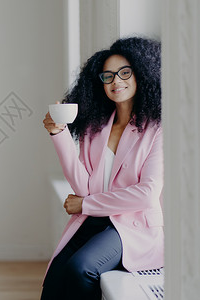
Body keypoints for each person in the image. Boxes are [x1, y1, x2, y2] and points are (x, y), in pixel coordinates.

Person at [41, 37, 163, 299]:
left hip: (134, 227)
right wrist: (59, 133)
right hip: (94, 219)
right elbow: (83, 187)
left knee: (80, 269)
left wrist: (85, 205)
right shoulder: (94, 127)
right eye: (108, 76)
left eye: (124, 73)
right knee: (54, 279)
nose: (116, 81)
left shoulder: (156, 129)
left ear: (141, 74)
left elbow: (147, 194)